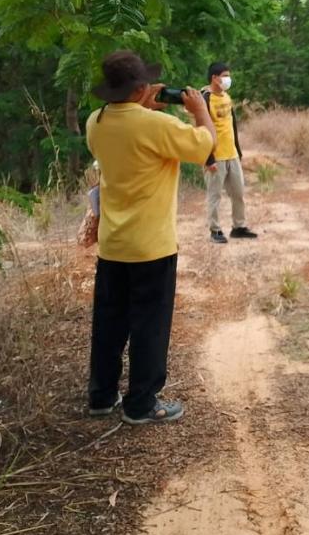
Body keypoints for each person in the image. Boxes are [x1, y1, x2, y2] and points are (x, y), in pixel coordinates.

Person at [84, 50, 216, 425]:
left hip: (113, 244)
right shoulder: (156, 125)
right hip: (151, 246)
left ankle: (101, 396)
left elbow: (129, 135)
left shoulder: (96, 121)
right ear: (142, 87)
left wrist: (141, 106)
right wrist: (200, 110)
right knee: (149, 326)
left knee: (109, 323)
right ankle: (141, 403)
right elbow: (205, 144)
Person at [203, 61, 258, 244]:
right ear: (214, 78)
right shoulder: (205, 99)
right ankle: (215, 230)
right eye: (225, 76)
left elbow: (232, 125)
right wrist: (208, 158)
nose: (228, 79)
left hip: (231, 154)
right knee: (214, 195)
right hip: (215, 156)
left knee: (238, 192)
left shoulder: (227, 97)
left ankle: (239, 226)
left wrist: (238, 151)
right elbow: (202, 129)